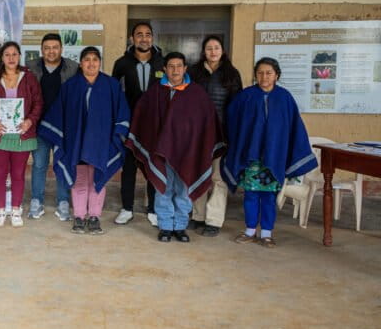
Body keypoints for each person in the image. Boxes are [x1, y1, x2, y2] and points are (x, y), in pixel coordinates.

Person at [126, 52, 224, 243]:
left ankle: (179, 226)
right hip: (161, 152)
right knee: (163, 189)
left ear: (185, 68)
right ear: (165, 69)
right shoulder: (155, 92)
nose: (175, 70)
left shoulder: (196, 93)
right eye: (171, 66)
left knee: (183, 189)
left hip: (188, 152)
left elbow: (207, 121)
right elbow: (144, 118)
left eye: (179, 66)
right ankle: (165, 226)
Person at [223, 57, 317, 248]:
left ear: (276, 75)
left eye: (269, 73)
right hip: (251, 158)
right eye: (260, 73)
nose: (264, 77)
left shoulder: (285, 98)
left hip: (274, 158)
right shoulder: (246, 96)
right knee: (250, 194)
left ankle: (266, 233)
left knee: (268, 197)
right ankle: (250, 230)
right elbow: (232, 120)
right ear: (255, 75)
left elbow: (294, 127)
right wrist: (238, 143)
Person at [39, 47, 129, 235]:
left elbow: (121, 111)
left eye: (95, 59)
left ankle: (95, 217)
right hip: (76, 142)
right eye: (87, 59)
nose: (91, 63)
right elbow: (59, 113)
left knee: (98, 180)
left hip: (102, 143)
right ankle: (79, 217)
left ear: (100, 62)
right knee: (79, 180)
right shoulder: (70, 86)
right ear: (80, 63)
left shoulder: (111, 86)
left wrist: (118, 135)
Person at [0, 41, 42, 227]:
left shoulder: (28, 77)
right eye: (7, 55)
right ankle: (0, 210)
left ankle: (15, 209)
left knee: (18, 174)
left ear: (19, 56)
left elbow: (38, 103)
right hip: (0, 134)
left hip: (22, 134)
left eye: (14, 54)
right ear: (2, 58)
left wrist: (29, 121)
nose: (11, 58)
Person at [186, 35, 243, 237]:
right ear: (204, 51)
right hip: (198, 134)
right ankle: (197, 216)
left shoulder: (231, 74)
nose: (213, 52)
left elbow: (237, 108)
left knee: (219, 178)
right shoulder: (193, 72)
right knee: (199, 174)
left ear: (223, 51)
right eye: (209, 48)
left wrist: (233, 135)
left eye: (216, 48)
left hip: (222, 134)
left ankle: (214, 220)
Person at [111, 22, 163, 227]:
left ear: (152, 38)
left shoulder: (162, 63)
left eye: (148, 34)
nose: (144, 38)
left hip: (154, 126)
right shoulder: (122, 63)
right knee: (129, 168)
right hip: (130, 125)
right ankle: (127, 208)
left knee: (152, 167)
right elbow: (115, 95)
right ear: (132, 38)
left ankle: (152, 209)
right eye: (139, 35)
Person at [25, 33, 78, 221]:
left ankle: (63, 201)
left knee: (61, 164)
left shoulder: (73, 68)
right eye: (47, 48)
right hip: (38, 126)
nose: (51, 51)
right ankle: (36, 201)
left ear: (61, 49)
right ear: (41, 50)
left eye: (55, 47)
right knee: (39, 165)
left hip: (63, 128)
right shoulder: (31, 67)